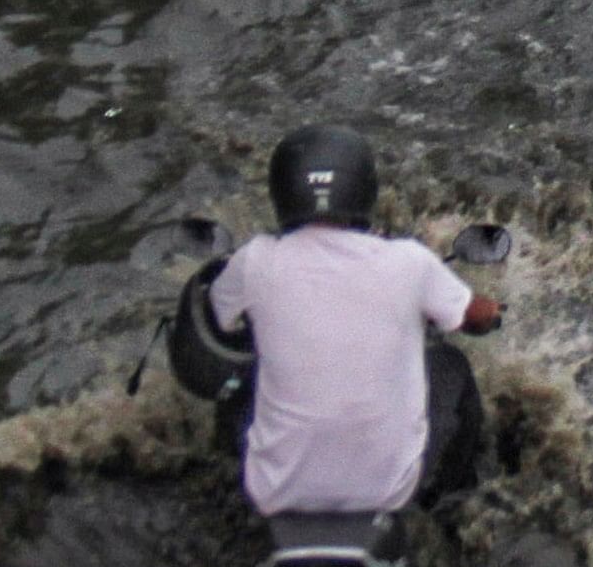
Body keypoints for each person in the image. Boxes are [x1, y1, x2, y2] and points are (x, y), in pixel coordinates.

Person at [206, 125, 504, 516]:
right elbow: (475, 317)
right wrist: (492, 310)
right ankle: (451, 503)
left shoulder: (255, 260)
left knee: (241, 375)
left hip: (275, 494)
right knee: (452, 365)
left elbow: (216, 315)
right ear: (364, 188)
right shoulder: (408, 261)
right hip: (386, 494)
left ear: (282, 191)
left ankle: (223, 485)